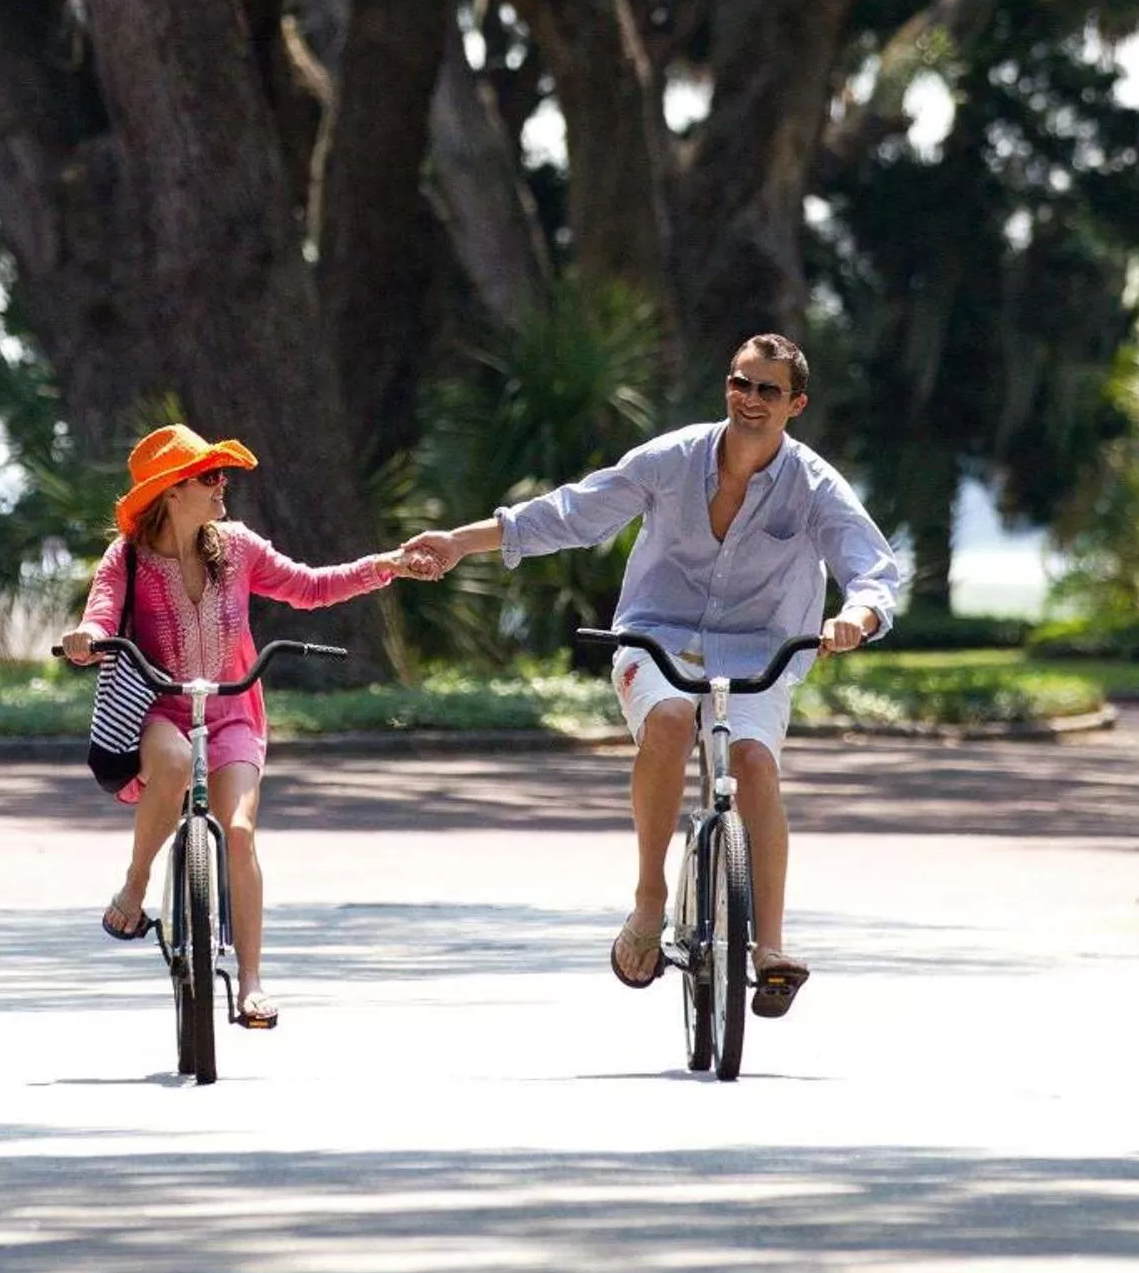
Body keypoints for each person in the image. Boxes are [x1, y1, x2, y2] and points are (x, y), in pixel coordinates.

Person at [400, 334, 898, 1018]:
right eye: (740, 383)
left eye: (768, 391)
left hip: (759, 651)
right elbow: (573, 511)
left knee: (754, 762)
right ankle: (649, 900)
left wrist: (858, 618)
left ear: (796, 404)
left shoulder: (813, 485)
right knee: (670, 720)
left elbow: (871, 568)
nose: (749, 400)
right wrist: (459, 542)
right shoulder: (673, 459)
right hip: (655, 637)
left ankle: (771, 949)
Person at [61, 423, 432, 1030]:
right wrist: (89, 639)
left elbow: (310, 587)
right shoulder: (126, 559)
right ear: (172, 491)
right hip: (160, 708)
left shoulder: (236, 548)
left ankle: (251, 984)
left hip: (232, 707)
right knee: (175, 766)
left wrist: (386, 566)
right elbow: (102, 613)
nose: (222, 485)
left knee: (238, 830)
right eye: (209, 476)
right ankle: (135, 884)